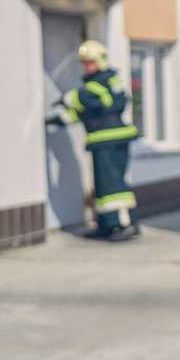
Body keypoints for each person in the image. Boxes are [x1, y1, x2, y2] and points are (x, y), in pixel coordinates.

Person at [47, 40, 140, 241]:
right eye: (85, 63)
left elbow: (110, 102)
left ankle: (125, 224)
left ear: (100, 60)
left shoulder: (108, 80)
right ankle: (107, 224)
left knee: (113, 184)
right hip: (101, 142)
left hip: (111, 139)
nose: (87, 67)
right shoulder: (93, 86)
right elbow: (85, 112)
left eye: (90, 62)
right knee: (103, 186)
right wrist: (57, 119)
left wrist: (72, 98)